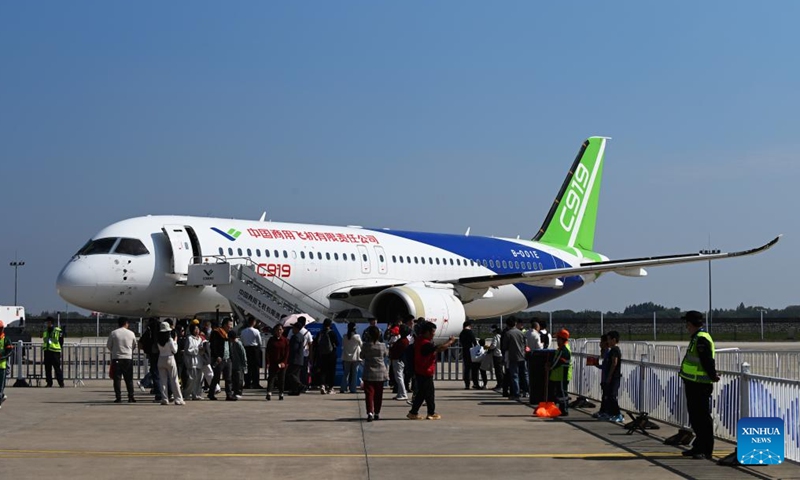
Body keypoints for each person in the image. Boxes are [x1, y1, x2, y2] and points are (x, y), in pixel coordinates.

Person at [679, 311, 719, 460]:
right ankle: (698, 446)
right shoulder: (697, 338)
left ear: (691, 324)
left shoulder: (701, 338)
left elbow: (707, 360)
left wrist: (712, 376)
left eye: (687, 324)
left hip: (700, 384)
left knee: (702, 418)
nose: (686, 327)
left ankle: (706, 449)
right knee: (695, 417)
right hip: (693, 383)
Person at [407, 321, 457, 420]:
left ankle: (414, 412)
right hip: (425, 371)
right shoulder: (425, 344)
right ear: (427, 332)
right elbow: (440, 348)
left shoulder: (419, 340)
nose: (434, 334)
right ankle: (430, 412)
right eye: (432, 332)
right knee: (429, 393)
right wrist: (450, 342)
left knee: (422, 393)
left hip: (421, 370)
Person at [360, 325, 389, 422]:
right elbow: (386, 354)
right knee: (378, 394)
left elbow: (362, 355)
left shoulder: (366, 345)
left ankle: (370, 412)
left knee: (369, 393)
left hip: (368, 371)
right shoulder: (382, 346)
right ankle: (377, 412)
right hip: (380, 372)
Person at [107, 317, 137, 403]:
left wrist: (115, 350)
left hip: (117, 358)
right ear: (126, 323)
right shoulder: (131, 333)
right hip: (128, 358)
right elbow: (134, 345)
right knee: (129, 379)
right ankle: (131, 397)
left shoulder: (114, 333)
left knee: (117, 379)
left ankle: (118, 397)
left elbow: (109, 346)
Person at [156, 321, 184, 405]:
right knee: (174, 379)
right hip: (170, 358)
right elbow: (175, 350)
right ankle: (178, 399)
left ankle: (164, 398)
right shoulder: (170, 339)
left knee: (163, 380)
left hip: (161, 358)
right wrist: (175, 341)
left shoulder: (158, 340)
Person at [208, 317, 234, 401]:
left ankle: (229, 395)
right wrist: (216, 356)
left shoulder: (228, 334)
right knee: (216, 377)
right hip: (219, 359)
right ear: (225, 325)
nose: (231, 327)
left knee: (228, 378)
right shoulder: (217, 333)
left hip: (227, 358)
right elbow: (213, 346)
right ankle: (211, 393)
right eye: (230, 325)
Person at [501, 317, 526, 400]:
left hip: (513, 357)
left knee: (514, 376)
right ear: (515, 323)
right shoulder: (521, 333)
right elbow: (525, 344)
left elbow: (505, 346)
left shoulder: (508, 334)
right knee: (523, 375)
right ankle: (525, 391)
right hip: (522, 356)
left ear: (507, 325)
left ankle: (516, 394)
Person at [548, 329, 572, 416]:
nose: (557, 340)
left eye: (558, 339)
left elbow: (558, 362)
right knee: (561, 392)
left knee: (562, 393)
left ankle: (564, 409)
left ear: (561, 339)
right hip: (559, 374)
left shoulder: (564, 350)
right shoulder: (562, 348)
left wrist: (550, 367)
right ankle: (562, 408)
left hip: (562, 374)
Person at [314, 318, 339, 394]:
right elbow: (337, 343)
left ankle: (322, 385)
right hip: (331, 355)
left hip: (322, 354)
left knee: (323, 371)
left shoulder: (320, 333)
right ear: (330, 324)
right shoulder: (332, 333)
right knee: (331, 371)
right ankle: (330, 388)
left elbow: (316, 343)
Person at [265, 324, 289, 400]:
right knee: (271, 378)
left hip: (282, 363)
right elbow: (267, 352)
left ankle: (281, 393)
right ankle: (269, 392)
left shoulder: (285, 341)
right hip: (273, 362)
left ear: (283, 330)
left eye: (280, 329)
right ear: (275, 330)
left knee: (281, 379)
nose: (279, 331)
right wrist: (268, 362)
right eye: (277, 329)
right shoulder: (271, 340)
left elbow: (287, 353)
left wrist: (284, 362)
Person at [604, 331, 623, 423]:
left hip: (614, 376)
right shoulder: (611, 350)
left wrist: (610, 375)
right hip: (612, 376)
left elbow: (614, 363)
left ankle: (618, 414)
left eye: (609, 339)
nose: (607, 341)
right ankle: (612, 413)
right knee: (609, 395)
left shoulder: (615, 350)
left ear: (614, 340)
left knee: (612, 396)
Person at [182, 324, 204, 400]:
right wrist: (197, 349)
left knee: (199, 379)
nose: (197, 330)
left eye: (198, 329)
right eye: (195, 329)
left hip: (199, 361)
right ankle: (187, 394)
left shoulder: (200, 339)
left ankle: (196, 394)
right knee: (191, 379)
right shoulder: (189, 338)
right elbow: (188, 350)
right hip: (192, 362)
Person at [241, 317, 263, 389]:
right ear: (253, 322)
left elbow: (242, 340)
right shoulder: (256, 331)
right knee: (255, 367)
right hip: (254, 349)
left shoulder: (243, 331)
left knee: (247, 366)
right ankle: (255, 383)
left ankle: (247, 383)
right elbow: (259, 341)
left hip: (246, 348)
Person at [389, 324, 410, 400]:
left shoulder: (402, 341)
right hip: (399, 360)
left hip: (398, 360)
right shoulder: (404, 340)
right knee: (399, 377)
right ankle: (400, 393)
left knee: (399, 377)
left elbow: (397, 350)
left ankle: (403, 394)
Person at [42, 317, 65, 388]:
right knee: (47, 368)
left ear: (50, 322)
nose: (46, 324)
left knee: (57, 368)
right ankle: (49, 383)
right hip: (47, 351)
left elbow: (61, 341)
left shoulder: (58, 331)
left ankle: (61, 383)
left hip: (55, 352)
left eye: (47, 322)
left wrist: (59, 349)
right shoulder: (45, 331)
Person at [340, 322, 362, 394]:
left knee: (346, 373)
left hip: (346, 357)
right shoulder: (357, 337)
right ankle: (353, 389)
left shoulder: (344, 336)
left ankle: (343, 388)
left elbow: (343, 345)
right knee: (354, 374)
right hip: (355, 358)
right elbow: (361, 345)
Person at [458, 320, 481, 390]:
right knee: (474, 369)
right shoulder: (470, 332)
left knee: (467, 369)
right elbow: (474, 342)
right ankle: (475, 383)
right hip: (471, 352)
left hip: (465, 351)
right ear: (469, 326)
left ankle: (467, 384)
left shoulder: (461, 333)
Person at [286, 324, 306, 395]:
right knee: (296, 375)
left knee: (290, 374)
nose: (292, 330)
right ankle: (295, 390)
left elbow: (294, 348)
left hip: (295, 359)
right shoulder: (301, 336)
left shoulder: (295, 337)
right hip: (299, 359)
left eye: (293, 328)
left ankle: (300, 385)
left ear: (297, 329)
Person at [228, 330, 247, 399]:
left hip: (239, 364)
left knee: (239, 379)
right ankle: (235, 391)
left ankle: (239, 392)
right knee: (234, 378)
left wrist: (245, 364)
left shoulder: (238, 343)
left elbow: (243, 354)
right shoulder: (231, 343)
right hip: (233, 364)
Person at [0, 320, 14, 409]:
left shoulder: (6, 339)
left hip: (2, 366)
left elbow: (10, 351)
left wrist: (3, 357)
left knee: (1, 385)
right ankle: (2, 396)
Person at [487, 325, 504, 391]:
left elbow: (493, 345)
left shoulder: (496, 337)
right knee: (501, 371)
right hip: (502, 355)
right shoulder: (502, 336)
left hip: (497, 355)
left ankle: (500, 385)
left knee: (498, 371)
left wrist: (489, 348)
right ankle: (502, 384)